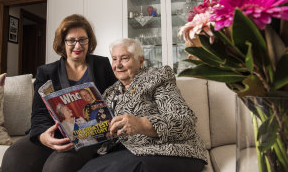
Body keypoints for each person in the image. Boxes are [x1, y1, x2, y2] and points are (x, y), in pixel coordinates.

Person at [0, 14, 117, 172]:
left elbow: (116, 99)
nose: (78, 45)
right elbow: (39, 112)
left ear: (89, 41)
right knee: (14, 157)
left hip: (89, 134)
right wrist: (42, 136)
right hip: (52, 131)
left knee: (57, 166)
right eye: (71, 40)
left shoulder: (102, 65)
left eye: (82, 39)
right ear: (63, 42)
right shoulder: (46, 72)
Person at [79, 38, 207, 172]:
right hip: (124, 152)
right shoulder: (109, 92)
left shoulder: (157, 77)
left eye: (124, 58)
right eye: (114, 59)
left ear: (140, 61)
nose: (118, 65)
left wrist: (141, 124)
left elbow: (185, 121)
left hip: (168, 151)